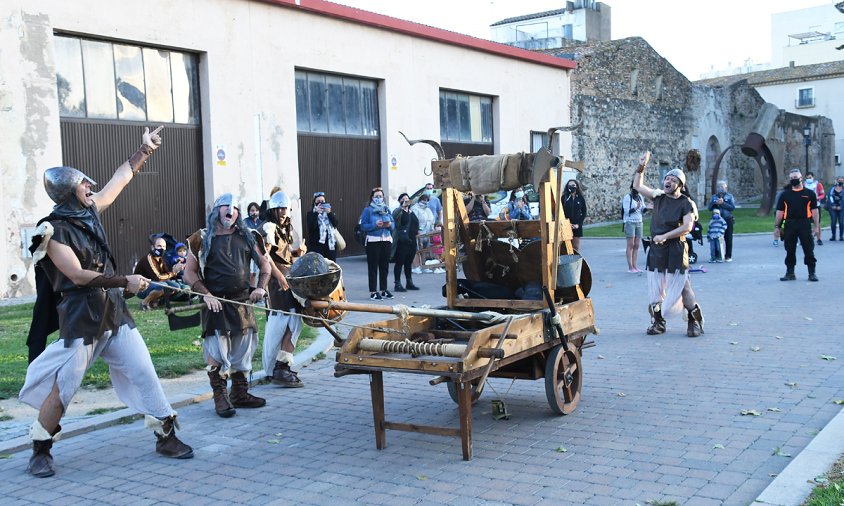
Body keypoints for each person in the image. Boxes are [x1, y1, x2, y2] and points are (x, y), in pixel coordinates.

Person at [20, 126, 193, 478]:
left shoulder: (90, 210)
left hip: (114, 313)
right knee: (64, 387)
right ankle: (40, 449)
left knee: (144, 371)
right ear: (69, 191)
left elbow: (118, 181)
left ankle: (166, 435)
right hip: (81, 318)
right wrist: (125, 281)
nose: (90, 187)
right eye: (84, 184)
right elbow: (77, 276)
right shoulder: (51, 230)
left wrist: (144, 151)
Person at [183, 193, 271, 417]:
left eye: (233, 209)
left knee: (243, 349)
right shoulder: (201, 238)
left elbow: (265, 266)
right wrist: (206, 294)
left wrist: (260, 287)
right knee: (217, 348)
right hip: (215, 303)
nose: (230, 212)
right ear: (216, 211)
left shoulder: (249, 236)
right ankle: (220, 398)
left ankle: (239, 394)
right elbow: (189, 274)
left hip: (242, 301)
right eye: (225, 207)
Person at [632, 152, 705, 338]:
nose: (668, 181)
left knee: (684, 286)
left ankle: (694, 320)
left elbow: (688, 227)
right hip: (657, 249)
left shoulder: (686, 203)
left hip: (676, 248)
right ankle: (658, 322)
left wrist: (665, 235)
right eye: (667, 178)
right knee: (655, 286)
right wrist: (641, 166)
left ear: (679, 185)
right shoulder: (658, 197)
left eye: (673, 180)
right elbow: (637, 185)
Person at [261, 190, 309, 388]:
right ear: (272, 210)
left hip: (289, 280)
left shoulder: (286, 228)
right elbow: (265, 255)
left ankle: (283, 365)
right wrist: (279, 276)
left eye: (285, 208)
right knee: (282, 322)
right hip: (276, 282)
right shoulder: (269, 227)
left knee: (294, 322)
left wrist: (297, 252)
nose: (283, 212)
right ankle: (278, 367)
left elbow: (284, 253)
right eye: (279, 208)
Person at [773, 169, 820, 282]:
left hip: (804, 223)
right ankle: (790, 273)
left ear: (801, 178)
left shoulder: (809, 194)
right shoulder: (785, 195)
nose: (794, 180)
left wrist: (816, 226)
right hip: (789, 224)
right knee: (789, 249)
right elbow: (780, 212)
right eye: (792, 178)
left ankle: (811, 273)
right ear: (790, 180)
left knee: (808, 249)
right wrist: (777, 227)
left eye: (796, 178)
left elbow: (815, 211)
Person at [133, 234, 186, 310]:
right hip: (141, 287)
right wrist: (173, 273)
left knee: (176, 287)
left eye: (164, 247)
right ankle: (144, 303)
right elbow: (158, 277)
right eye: (159, 246)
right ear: (152, 247)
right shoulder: (148, 259)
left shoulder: (161, 259)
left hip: (153, 284)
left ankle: (157, 300)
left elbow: (166, 274)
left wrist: (176, 269)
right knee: (163, 285)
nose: (162, 249)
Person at [360, 187, 394, 300]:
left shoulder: (387, 208)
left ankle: (384, 290)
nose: (379, 198)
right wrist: (375, 225)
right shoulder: (368, 210)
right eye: (376, 196)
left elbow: (393, 224)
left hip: (386, 240)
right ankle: (373, 292)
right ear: (372, 198)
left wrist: (389, 225)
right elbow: (363, 226)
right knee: (373, 267)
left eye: (380, 196)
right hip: (373, 241)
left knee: (384, 266)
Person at [391, 193, 420, 292]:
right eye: (403, 199)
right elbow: (393, 217)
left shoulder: (412, 212)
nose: (406, 201)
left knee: (408, 262)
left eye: (407, 199)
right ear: (400, 201)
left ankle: (409, 282)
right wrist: (402, 207)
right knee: (399, 262)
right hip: (402, 241)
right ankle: (397, 283)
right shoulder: (398, 211)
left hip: (411, 241)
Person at [305, 191, 340, 262]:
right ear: (314, 203)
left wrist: (329, 213)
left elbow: (335, 224)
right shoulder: (310, 214)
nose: (321, 203)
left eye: (322, 201)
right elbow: (312, 227)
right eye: (318, 201)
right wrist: (316, 213)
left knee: (331, 268)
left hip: (330, 246)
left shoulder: (328, 213)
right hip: (317, 247)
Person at [707, 180, 736, 262]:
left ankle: (728, 256)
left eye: (723, 187)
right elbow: (709, 208)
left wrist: (723, 203)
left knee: (728, 238)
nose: (721, 189)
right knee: (716, 237)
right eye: (719, 187)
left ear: (726, 188)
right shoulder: (713, 197)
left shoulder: (730, 196)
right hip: (716, 221)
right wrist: (715, 203)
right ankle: (716, 255)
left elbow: (732, 208)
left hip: (727, 219)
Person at [622, 185, 645, 273]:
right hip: (630, 222)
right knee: (630, 244)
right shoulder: (627, 197)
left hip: (639, 222)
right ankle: (630, 267)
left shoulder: (640, 197)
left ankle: (635, 266)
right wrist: (636, 208)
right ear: (632, 188)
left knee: (637, 245)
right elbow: (626, 211)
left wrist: (648, 208)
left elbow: (642, 210)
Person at [412, 193, 435, 274]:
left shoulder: (427, 209)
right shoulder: (415, 208)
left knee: (425, 250)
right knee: (417, 250)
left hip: (427, 232)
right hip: (419, 232)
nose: (425, 202)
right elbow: (414, 221)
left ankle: (424, 266)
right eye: (424, 200)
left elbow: (432, 220)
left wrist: (432, 230)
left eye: (427, 200)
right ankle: (416, 266)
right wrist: (417, 232)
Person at [562, 179, 587, 251]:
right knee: (566, 247)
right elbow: (560, 212)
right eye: (569, 186)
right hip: (567, 225)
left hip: (577, 226)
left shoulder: (580, 198)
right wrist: (567, 223)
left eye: (573, 185)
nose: (571, 187)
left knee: (575, 247)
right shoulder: (564, 198)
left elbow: (584, 212)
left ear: (576, 186)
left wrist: (578, 224)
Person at [804, 172, 825, 246]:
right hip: (806, 206)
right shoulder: (804, 185)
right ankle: (808, 238)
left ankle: (819, 239)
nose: (808, 179)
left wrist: (818, 198)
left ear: (813, 177)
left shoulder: (818, 185)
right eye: (807, 178)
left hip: (816, 205)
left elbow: (822, 194)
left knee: (817, 223)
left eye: (810, 177)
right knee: (806, 223)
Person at [826, 176, 844, 241]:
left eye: (842, 180)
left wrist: (841, 206)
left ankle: (841, 236)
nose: (840, 181)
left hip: (842, 208)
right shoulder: (832, 189)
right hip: (832, 208)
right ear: (837, 181)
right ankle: (833, 236)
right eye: (839, 180)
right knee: (833, 221)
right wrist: (833, 205)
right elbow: (830, 197)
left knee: (841, 222)